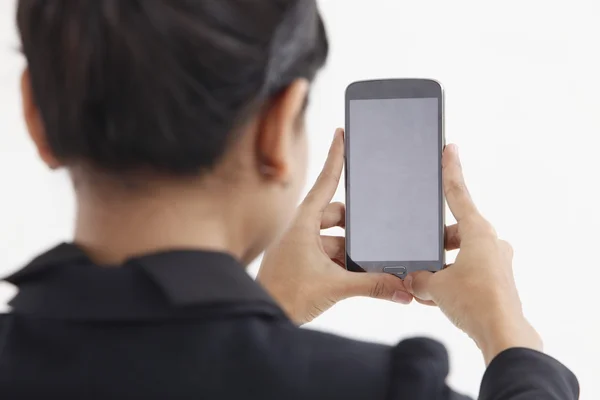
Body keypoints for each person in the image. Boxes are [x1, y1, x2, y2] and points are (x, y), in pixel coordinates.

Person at [0, 0, 578, 399]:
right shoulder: (387, 390)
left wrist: (262, 313)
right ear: (275, 128)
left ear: (35, 114)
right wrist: (511, 339)